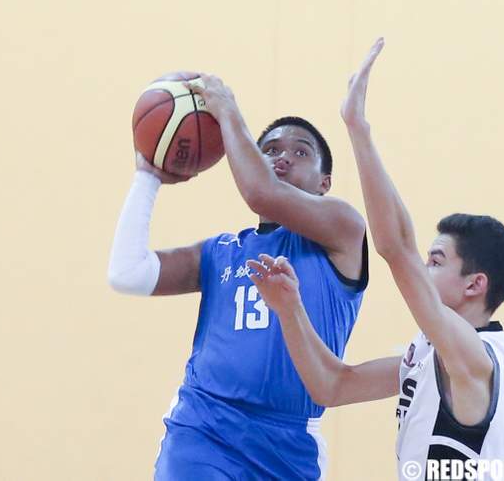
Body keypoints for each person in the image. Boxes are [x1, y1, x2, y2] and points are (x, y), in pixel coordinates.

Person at [246, 38, 504, 481]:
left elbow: (394, 247)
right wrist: (290, 309)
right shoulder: (433, 353)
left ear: (475, 284)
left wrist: (358, 127)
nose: (422, 267)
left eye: (435, 261)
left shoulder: (475, 355)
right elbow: (332, 385)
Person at [108, 79, 369, 478]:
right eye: (270, 151)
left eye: (301, 152)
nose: (282, 158)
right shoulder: (220, 252)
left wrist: (227, 110)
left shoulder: (343, 230)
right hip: (204, 427)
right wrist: (147, 176)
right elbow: (128, 273)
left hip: (289, 443)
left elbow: (261, 195)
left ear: (324, 183)